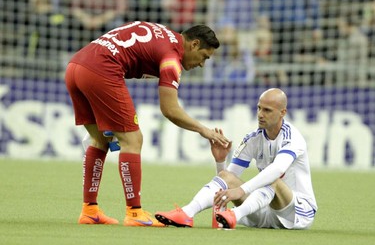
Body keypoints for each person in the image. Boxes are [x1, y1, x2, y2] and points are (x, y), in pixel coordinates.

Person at [65, 21, 230, 227]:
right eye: (204, 57)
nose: (202, 64)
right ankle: (134, 213)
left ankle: (90, 210)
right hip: (101, 69)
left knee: (99, 140)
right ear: (194, 44)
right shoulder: (172, 57)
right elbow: (170, 109)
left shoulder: (164, 35)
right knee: (133, 140)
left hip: (75, 67)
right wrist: (204, 130)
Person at [155, 88, 317, 229]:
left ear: (283, 112)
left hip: (296, 213)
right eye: (259, 108)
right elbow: (227, 181)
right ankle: (186, 213)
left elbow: (277, 169)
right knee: (227, 176)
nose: (260, 114)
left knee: (272, 178)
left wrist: (241, 191)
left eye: (267, 110)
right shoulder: (253, 139)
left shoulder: (292, 137)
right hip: (263, 209)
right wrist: (220, 161)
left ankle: (234, 215)